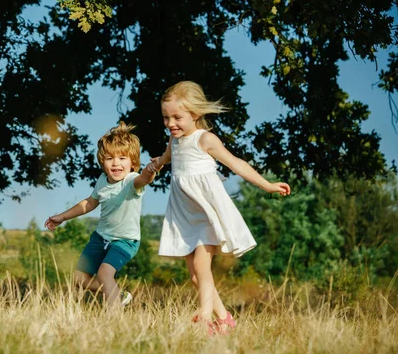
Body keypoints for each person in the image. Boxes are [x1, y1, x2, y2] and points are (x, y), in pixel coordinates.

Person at [147, 81, 291, 335]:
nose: (170, 123)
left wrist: (267, 185)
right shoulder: (175, 140)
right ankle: (224, 318)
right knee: (195, 277)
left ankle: (204, 317)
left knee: (203, 269)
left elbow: (236, 164)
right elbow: (165, 158)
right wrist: (154, 165)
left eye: (177, 117)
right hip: (184, 214)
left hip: (206, 213)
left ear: (195, 113)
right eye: (166, 118)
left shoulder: (205, 139)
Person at [44, 122, 158, 306]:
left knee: (105, 273)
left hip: (124, 241)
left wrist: (151, 172)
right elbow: (89, 203)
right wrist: (62, 217)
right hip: (100, 238)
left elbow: (143, 179)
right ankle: (117, 294)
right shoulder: (102, 181)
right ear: (102, 162)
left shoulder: (130, 181)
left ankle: (114, 320)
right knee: (79, 278)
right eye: (109, 158)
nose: (116, 163)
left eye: (122, 158)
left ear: (133, 163)